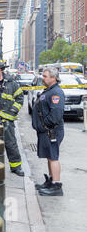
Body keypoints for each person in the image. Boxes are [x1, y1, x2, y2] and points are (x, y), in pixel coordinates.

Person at [32, 66, 65, 196]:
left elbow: (56, 114)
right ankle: (51, 181)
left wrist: (45, 125)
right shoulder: (50, 90)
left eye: (45, 76)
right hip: (47, 130)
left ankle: (56, 186)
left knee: (53, 157)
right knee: (49, 157)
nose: (42, 78)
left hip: (51, 131)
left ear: (54, 78)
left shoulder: (56, 92)